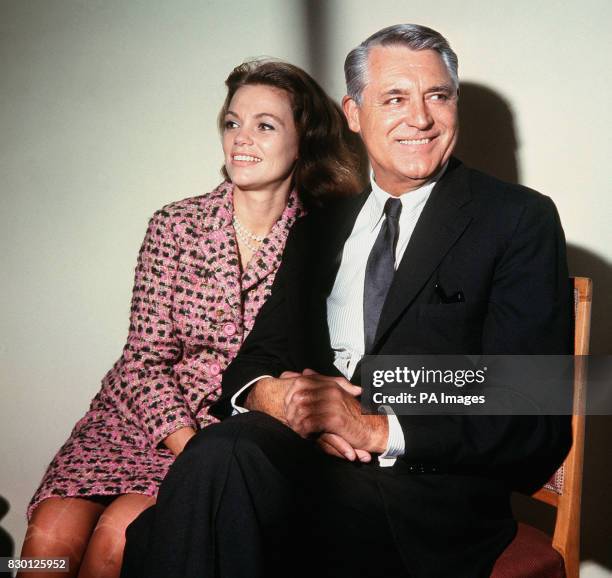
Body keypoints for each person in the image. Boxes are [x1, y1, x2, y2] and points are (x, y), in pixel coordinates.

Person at [121, 24, 572, 578]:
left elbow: (534, 412)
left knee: (192, 518)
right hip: (308, 471)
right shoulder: (320, 228)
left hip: (425, 502)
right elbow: (251, 365)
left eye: (438, 96)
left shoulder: (516, 219)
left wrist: (374, 427)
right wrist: (285, 400)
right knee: (221, 457)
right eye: (395, 98)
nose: (421, 118)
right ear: (354, 114)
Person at [18, 59, 361, 578]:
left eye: (264, 125)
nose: (241, 139)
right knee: (47, 543)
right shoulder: (175, 225)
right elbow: (141, 359)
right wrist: (182, 439)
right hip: (135, 420)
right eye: (232, 122)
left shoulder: (325, 240)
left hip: (228, 438)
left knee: (116, 542)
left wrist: (205, 453)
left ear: (303, 140)